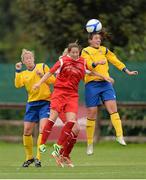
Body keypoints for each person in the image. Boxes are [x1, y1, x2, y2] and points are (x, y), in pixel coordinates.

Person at [33, 42, 113, 167]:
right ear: (68, 53)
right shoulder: (62, 62)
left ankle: (61, 152)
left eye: (77, 52)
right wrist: (39, 82)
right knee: (56, 121)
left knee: (74, 126)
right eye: (72, 52)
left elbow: (90, 71)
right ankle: (48, 147)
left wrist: (104, 77)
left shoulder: (81, 62)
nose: (75, 55)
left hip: (72, 95)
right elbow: (51, 74)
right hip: (59, 94)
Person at [81, 32, 138, 155]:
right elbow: (87, 66)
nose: (98, 40)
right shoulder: (85, 51)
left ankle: (119, 135)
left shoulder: (104, 50)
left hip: (106, 84)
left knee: (113, 108)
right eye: (96, 38)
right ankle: (90, 144)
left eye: (99, 39)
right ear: (90, 40)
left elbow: (115, 60)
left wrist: (127, 71)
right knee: (92, 113)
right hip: (92, 84)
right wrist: (97, 63)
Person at [14, 49, 55, 167]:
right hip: (32, 104)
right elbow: (17, 85)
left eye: (30, 57)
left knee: (43, 129)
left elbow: (53, 80)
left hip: (45, 103)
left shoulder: (42, 66)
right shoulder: (23, 74)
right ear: (23, 62)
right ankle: (29, 157)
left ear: (33, 58)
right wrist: (17, 70)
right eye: (26, 59)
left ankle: (38, 157)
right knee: (27, 130)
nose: (29, 60)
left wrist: (43, 76)